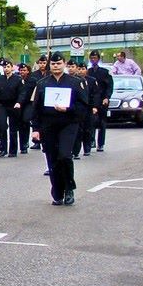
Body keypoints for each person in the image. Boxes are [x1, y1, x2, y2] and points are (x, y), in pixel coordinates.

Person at [32, 53, 88, 205]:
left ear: (64, 64)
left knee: (64, 155)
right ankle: (57, 191)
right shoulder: (42, 83)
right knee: (52, 157)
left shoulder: (75, 82)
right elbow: (36, 108)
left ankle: (69, 188)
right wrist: (35, 128)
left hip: (68, 123)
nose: (56, 66)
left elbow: (83, 106)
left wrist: (68, 109)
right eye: (53, 64)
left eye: (59, 63)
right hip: (48, 125)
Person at [0, 59, 23, 157]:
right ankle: (3, 148)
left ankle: (13, 150)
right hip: (2, 105)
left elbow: (21, 93)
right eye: (4, 67)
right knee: (2, 126)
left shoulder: (17, 79)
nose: (6, 69)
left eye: (8, 67)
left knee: (13, 128)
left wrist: (19, 102)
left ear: (12, 67)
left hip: (13, 105)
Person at [72, 62, 100, 159]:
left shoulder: (91, 81)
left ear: (86, 70)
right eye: (79, 69)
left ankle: (87, 148)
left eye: (82, 69)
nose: (80, 71)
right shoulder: (73, 80)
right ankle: (75, 152)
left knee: (88, 129)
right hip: (77, 109)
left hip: (88, 108)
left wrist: (95, 106)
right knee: (77, 130)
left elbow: (95, 95)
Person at [87, 50, 113, 152]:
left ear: (98, 59)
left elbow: (109, 86)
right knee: (91, 122)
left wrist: (107, 97)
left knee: (102, 123)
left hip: (102, 100)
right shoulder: (88, 72)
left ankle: (101, 144)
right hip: (92, 101)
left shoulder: (104, 72)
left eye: (95, 58)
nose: (93, 60)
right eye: (92, 58)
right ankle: (92, 140)